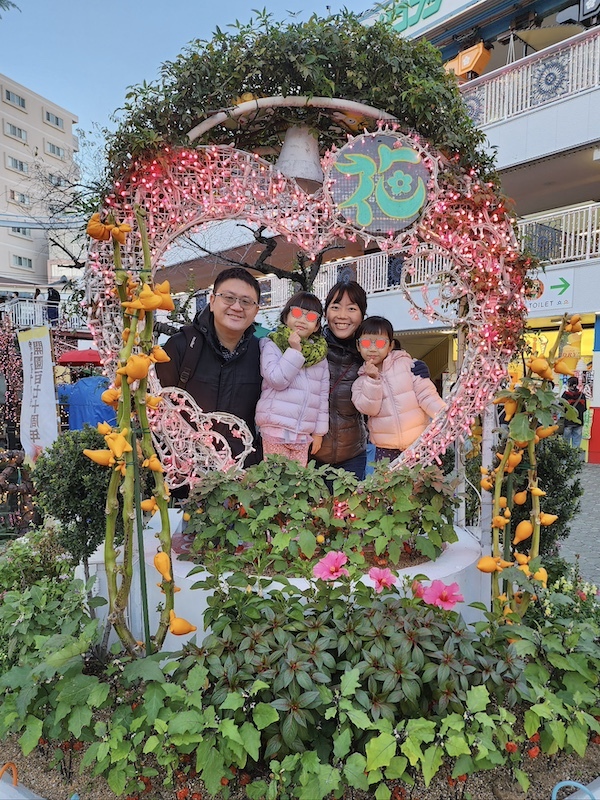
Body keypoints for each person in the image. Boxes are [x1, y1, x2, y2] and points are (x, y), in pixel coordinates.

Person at [155, 267, 263, 469]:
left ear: (256, 310)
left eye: (246, 302)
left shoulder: (263, 354)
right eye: (229, 298)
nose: (237, 307)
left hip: (241, 477)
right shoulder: (182, 346)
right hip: (186, 474)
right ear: (212, 302)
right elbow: (157, 408)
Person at [351, 316, 446, 462]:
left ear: (390, 346)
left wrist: (445, 416)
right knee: (389, 485)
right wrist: (372, 380)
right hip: (385, 448)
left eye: (381, 343)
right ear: (358, 346)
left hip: (419, 443)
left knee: (422, 483)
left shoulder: (407, 365)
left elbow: (426, 395)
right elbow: (370, 409)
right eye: (365, 342)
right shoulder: (360, 382)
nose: (372, 348)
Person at [256, 291, 329, 467]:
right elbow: (276, 380)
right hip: (275, 429)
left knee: (297, 486)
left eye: (311, 316)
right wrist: (294, 351)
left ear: (317, 326)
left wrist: (319, 432)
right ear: (286, 316)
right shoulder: (272, 344)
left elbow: (322, 397)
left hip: (303, 434)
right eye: (297, 313)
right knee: (275, 484)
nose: (302, 320)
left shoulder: (319, 356)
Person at [311, 280, 369, 480]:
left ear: (362, 315)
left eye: (351, 308)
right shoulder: (310, 349)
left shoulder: (368, 355)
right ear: (326, 313)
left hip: (352, 456)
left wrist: (412, 366)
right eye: (335, 307)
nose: (342, 316)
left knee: (348, 511)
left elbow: (394, 362)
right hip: (310, 455)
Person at [561, 376, 587, 454]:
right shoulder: (581, 395)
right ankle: (574, 461)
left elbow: (561, 407)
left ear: (569, 384)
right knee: (576, 444)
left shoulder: (565, 395)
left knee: (566, 444)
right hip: (579, 422)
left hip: (568, 423)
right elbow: (584, 408)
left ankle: (565, 462)